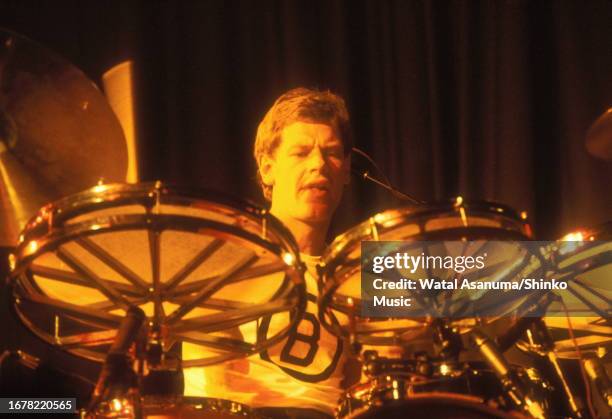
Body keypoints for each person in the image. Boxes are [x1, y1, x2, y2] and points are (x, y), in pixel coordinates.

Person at [184, 87, 355, 418]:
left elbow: (482, 282)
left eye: (332, 152)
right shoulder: (224, 253)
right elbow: (212, 386)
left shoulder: (358, 272)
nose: (319, 164)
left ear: (347, 170)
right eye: (301, 152)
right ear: (267, 169)